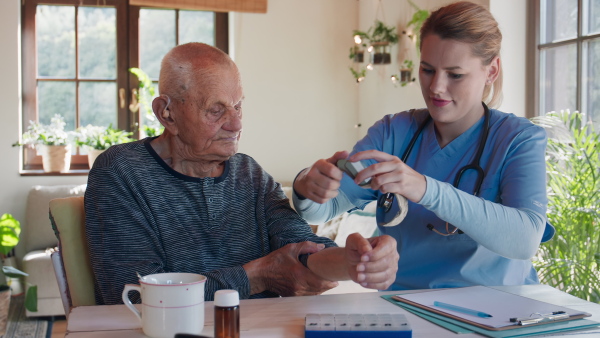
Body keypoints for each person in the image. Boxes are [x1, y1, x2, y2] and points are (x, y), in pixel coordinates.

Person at [84, 42, 399, 305]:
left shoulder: (248, 173)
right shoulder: (122, 171)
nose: (236, 125)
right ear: (167, 113)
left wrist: (354, 261)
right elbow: (134, 296)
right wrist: (257, 276)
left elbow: (300, 245)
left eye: (238, 107)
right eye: (216, 110)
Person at [292, 1, 554, 291]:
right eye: (428, 69)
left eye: (455, 75)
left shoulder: (519, 139)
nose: (436, 87)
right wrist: (308, 186)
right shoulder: (394, 132)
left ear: (491, 71)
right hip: (407, 310)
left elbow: (525, 240)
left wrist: (425, 189)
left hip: (498, 315)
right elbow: (322, 212)